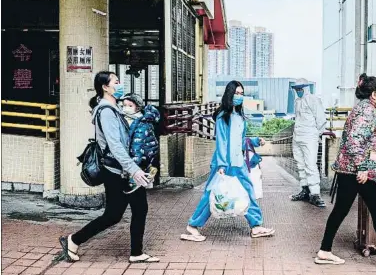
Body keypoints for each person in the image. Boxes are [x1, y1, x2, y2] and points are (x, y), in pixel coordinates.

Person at [315, 73, 376, 268]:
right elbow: (355, 142)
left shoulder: (365, 109)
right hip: (357, 171)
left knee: (343, 210)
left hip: (352, 169)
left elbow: (368, 141)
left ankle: (325, 251)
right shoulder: (367, 112)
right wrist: (363, 168)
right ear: (373, 95)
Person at [59, 71, 159, 263]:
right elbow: (115, 145)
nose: (119, 85)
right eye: (116, 82)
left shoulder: (114, 109)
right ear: (105, 87)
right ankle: (73, 240)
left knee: (135, 209)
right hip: (115, 171)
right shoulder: (106, 111)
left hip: (122, 170)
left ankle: (136, 253)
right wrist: (134, 169)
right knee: (114, 214)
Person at [180, 80, 275, 242]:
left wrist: (254, 141)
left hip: (239, 164)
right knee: (211, 194)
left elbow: (239, 139)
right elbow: (222, 141)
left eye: (241, 93)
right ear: (229, 94)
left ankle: (256, 226)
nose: (239, 96)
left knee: (248, 192)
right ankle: (193, 226)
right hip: (224, 164)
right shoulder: (223, 117)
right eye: (236, 93)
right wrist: (222, 164)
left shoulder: (240, 116)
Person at [290, 78, 327, 207]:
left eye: (301, 88)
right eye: (297, 89)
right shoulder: (297, 101)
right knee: (300, 165)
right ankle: (305, 190)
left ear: (306, 88)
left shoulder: (313, 99)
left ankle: (315, 193)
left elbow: (321, 119)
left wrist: (316, 134)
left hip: (309, 137)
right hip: (297, 137)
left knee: (311, 165)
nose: (299, 91)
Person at [122, 93, 160, 194]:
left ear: (138, 108)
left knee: (137, 188)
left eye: (130, 106)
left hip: (141, 154)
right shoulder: (132, 119)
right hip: (146, 153)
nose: (126, 108)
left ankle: (134, 181)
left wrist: (132, 169)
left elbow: (136, 146)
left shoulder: (140, 123)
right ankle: (148, 171)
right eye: (124, 105)